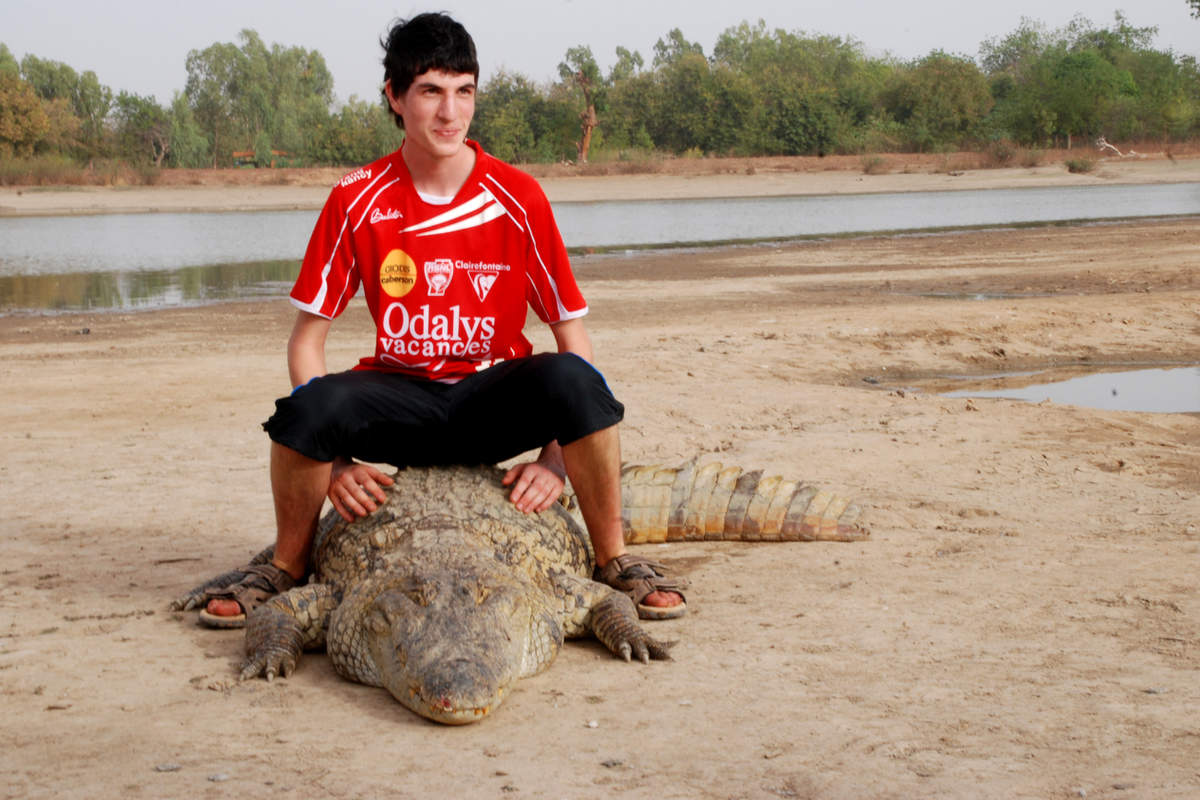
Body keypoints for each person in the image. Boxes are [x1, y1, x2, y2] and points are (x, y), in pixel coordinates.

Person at [200, 12, 685, 628]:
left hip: (491, 402)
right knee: (305, 409)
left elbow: (572, 333)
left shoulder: (518, 196)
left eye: (464, 91)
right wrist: (339, 468)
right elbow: (307, 341)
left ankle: (614, 559)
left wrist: (554, 460)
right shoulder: (356, 197)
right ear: (396, 98)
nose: (450, 112)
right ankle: (286, 566)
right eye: (431, 91)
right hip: (400, 401)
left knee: (575, 379)